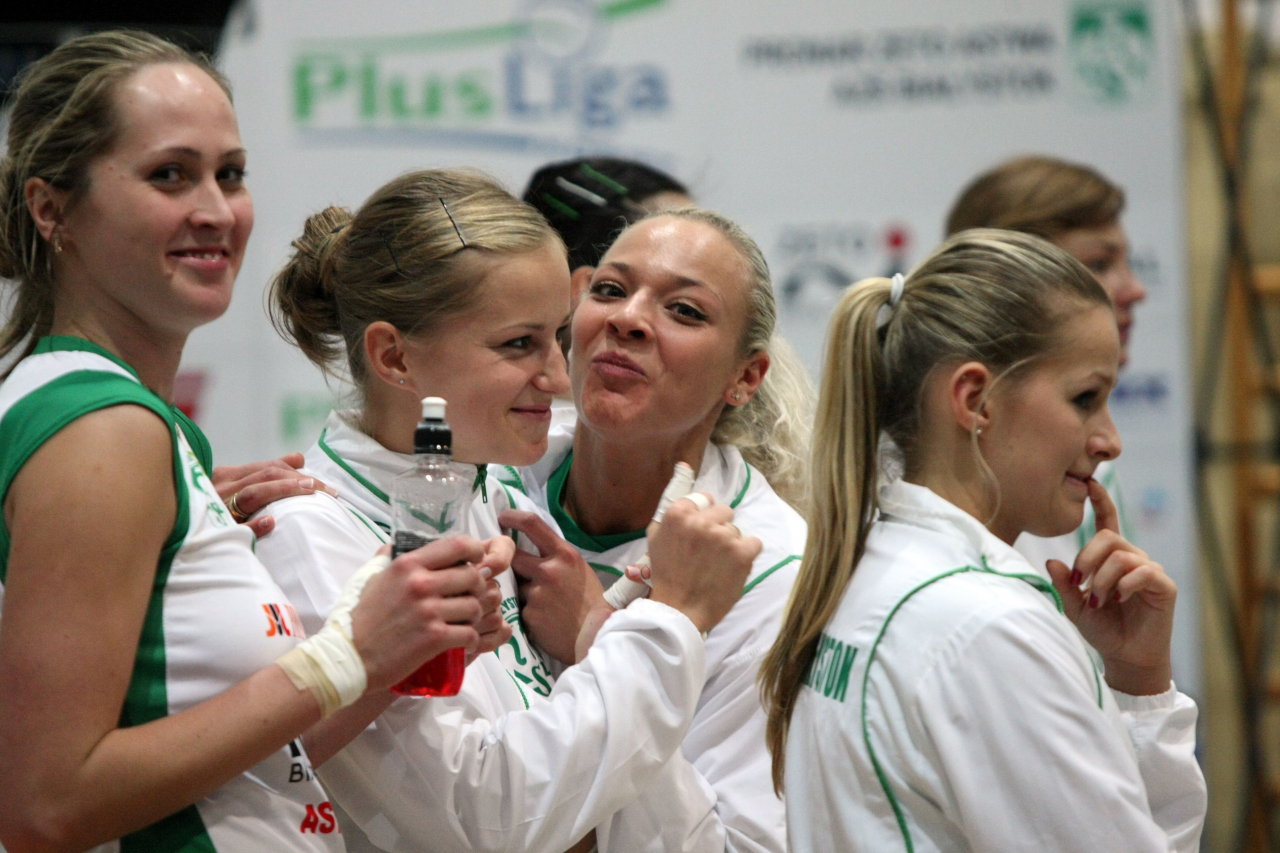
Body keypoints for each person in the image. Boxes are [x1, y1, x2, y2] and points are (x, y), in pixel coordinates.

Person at [0, 32, 499, 852]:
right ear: (52, 209)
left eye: (229, 174)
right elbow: (46, 805)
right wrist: (344, 655)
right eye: (170, 174)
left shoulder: (125, 423)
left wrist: (387, 659)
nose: (215, 210)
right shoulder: (102, 431)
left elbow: (235, 777)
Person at [257, 168, 760, 853]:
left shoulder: (496, 496)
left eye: (558, 335)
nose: (558, 375)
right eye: (519, 344)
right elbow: (488, 821)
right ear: (394, 357)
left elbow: (664, 831)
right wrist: (669, 622)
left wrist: (599, 633)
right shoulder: (306, 537)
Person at [760, 229, 1206, 852]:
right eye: (1085, 398)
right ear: (976, 400)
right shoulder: (989, 626)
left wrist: (1137, 679)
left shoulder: (872, 570)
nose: (1110, 441)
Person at [518, 207, 813, 852]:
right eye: (610, 290)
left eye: (684, 310)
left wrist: (603, 644)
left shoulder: (774, 572)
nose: (628, 318)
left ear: (745, 377)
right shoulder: (488, 476)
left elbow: (738, 846)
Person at [946, 155, 1147, 565]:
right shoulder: (893, 485)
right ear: (1004, 280)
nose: (1135, 290)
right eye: (1099, 264)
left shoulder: (1088, 469)